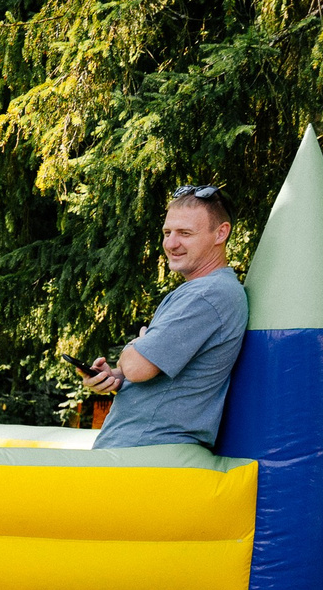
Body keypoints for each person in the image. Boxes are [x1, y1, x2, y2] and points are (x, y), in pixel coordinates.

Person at [83, 185, 247, 449]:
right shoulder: (204, 291)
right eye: (167, 233)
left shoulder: (207, 295)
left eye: (185, 233)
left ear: (221, 233)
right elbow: (150, 374)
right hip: (143, 449)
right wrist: (116, 377)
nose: (171, 244)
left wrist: (135, 347)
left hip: (147, 451)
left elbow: (138, 368)